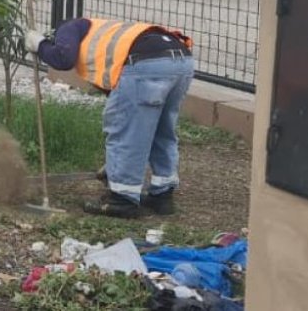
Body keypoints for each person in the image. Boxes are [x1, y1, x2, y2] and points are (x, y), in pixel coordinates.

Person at [27, 18, 194, 219]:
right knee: (162, 130)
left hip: (144, 64)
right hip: (181, 61)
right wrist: (113, 165)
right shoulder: (106, 33)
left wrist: (40, 45)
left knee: (125, 131)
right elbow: (121, 96)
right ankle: (162, 195)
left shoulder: (70, 27)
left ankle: (123, 199)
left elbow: (63, 58)